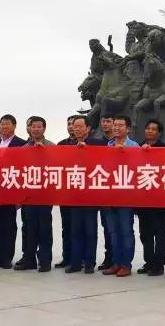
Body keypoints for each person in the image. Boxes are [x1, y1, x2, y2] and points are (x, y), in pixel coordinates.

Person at [64, 115, 107, 274]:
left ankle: (89, 263)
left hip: (91, 195)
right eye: (75, 126)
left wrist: (87, 149)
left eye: (80, 126)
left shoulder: (98, 144)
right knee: (75, 231)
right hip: (74, 195)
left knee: (90, 230)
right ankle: (76, 262)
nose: (77, 129)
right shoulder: (67, 146)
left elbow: (103, 165)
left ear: (88, 128)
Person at [0, 114, 26, 269]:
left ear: (14, 126)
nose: (4, 126)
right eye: (2, 124)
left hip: (11, 189)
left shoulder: (21, 144)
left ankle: (6, 258)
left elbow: (24, 168)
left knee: (8, 225)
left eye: (8, 123)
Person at [15, 116, 54, 273]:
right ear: (29, 129)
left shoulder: (52, 147)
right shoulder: (24, 148)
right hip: (28, 196)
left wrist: (43, 152)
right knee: (28, 228)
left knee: (44, 229)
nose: (36, 129)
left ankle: (45, 261)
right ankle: (28, 259)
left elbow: (56, 168)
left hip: (45, 195)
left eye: (39, 126)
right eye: (33, 127)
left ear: (44, 129)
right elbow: (18, 171)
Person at [102, 115, 139, 277]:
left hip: (126, 196)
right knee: (112, 232)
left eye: (120, 125)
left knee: (125, 231)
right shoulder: (108, 145)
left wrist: (123, 154)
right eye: (115, 125)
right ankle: (116, 262)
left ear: (128, 128)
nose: (116, 128)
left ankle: (126, 264)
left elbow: (138, 169)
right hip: (109, 196)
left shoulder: (134, 146)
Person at [137, 119, 165, 276]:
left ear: (159, 133)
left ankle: (159, 264)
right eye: (148, 128)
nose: (150, 131)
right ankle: (148, 262)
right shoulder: (138, 148)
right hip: (142, 198)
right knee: (145, 233)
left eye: (153, 129)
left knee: (159, 233)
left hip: (159, 198)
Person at [55, 115, 77, 268]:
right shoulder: (61, 144)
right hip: (66, 194)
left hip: (81, 193)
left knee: (79, 229)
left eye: (74, 124)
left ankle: (80, 259)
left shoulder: (89, 144)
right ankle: (67, 257)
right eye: (69, 124)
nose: (71, 127)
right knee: (66, 228)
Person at [97, 113, 115, 270]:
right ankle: (109, 258)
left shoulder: (123, 143)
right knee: (107, 228)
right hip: (101, 193)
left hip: (118, 192)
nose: (105, 124)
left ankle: (117, 260)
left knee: (118, 230)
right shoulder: (96, 142)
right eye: (103, 121)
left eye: (108, 121)